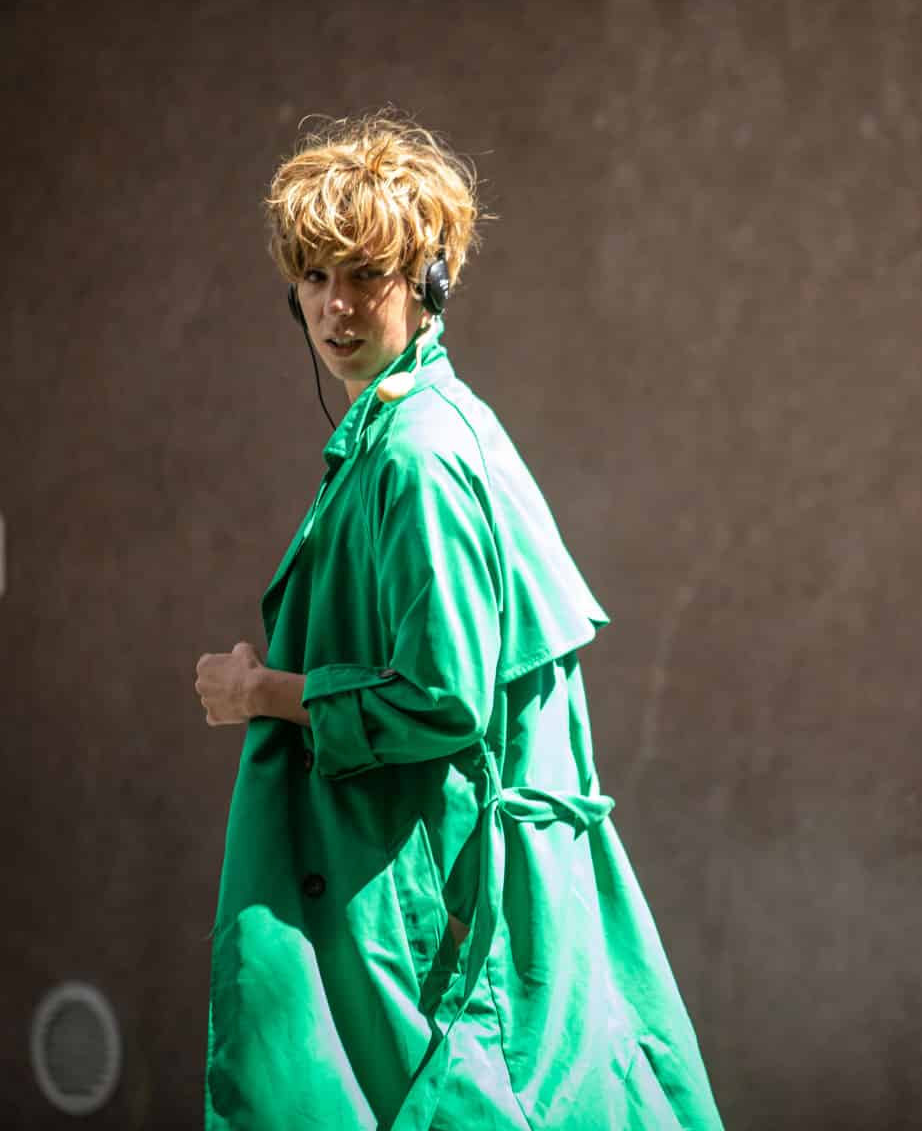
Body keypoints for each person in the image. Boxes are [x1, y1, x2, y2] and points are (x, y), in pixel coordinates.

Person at [193, 112, 723, 1129]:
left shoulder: (418, 455)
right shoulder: (412, 430)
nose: (336, 306)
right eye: (315, 277)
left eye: (366, 275)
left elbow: (441, 698)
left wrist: (259, 691)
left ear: (428, 281)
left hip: (455, 922)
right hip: (474, 904)